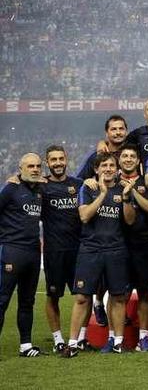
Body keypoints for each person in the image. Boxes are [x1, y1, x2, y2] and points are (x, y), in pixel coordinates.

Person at [64, 153, 136, 357]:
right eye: (104, 165)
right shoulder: (87, 188)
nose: (108, 168)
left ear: (117, 168)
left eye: (112, 165)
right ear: (96, 169)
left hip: (116, 250)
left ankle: (118, 343)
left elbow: (130, 220)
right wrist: (103, 193)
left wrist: (127, 199)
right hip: (90, 249)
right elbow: (84, 216)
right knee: (81, 297)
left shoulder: (123, 189)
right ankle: (73, 343)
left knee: (118, 297)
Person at [39, 146, 85, 353]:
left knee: (84, 296)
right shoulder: (41, 187)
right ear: (47, 163)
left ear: (66, 160)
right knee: (53, 296)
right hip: (54, 253)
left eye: (60, 158)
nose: (57, 163)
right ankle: (58, 340)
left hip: (78, 251)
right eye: (53, 160)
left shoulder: (78, 185)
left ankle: (81, 338)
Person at [0, 153, 46, 357]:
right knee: (2, 300)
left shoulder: (38, 191)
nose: (35, 169)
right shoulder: (10, 189)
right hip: (11, 251)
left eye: (37, 166)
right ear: (20, 168)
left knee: (27, 301)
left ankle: (25, 346)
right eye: (30, 166)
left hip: (33, 253)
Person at [118, 144, 148, 352]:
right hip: (118, 245)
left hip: (143, 245)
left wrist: (132, 191)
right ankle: (116, 339)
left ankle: (143, 338)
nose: (128, 159)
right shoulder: (110, 182)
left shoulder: (147, 182)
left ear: (138, 161)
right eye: (124, 156)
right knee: (119, 294)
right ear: (119, 160)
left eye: (132, 156)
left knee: (143, 293)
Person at [76, 114, 128, 180]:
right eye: (113, 129)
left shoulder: (134, 154)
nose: (118, 132)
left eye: (121, 129)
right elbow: (79, 180)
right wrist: (88, 182)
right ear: (106, 133)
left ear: (126, 132)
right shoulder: (97, 156)